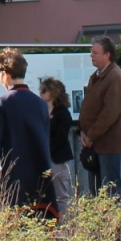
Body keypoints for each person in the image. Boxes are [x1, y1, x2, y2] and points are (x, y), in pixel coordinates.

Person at [0, 48, 52, 210]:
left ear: (5, 74)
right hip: (39, 176)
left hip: (11, 179)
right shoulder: (41, 104)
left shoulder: (0, 103)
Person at [78, 36, 121, 197]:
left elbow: (110, 112)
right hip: (95, 142)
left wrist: (92, 135)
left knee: (110, 187)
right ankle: (103, 221)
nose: (91, 55)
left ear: (107, 55)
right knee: (98, 188)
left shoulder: (114, 76)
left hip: (108, 143)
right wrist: (85, 132)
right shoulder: (97, 75)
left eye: (95, 52)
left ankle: (115, 222)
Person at [38, 77, 75, 216]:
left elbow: (60, 138)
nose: (41, 93)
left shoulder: (62, 113)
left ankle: (64, 226)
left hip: (57, 158)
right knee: (44, 195)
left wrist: (46, 149)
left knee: (61, 196)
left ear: (53, 92)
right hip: (44, 158)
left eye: (44, 90)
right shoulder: (43, 111)